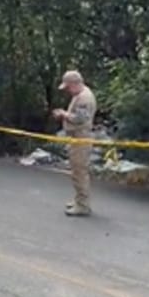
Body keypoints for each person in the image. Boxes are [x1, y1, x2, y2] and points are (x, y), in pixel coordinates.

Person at [52, 70, 97, 217]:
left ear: (75, 84)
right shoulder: (79, 95)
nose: (67, 91)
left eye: (68, 87)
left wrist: (63, 114)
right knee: (76, 171)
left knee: (79, 172)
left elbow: (80, 119)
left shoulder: (84, 98)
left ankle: (83, 205)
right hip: (76, 137)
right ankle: (79, 200)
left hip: (81, 138)